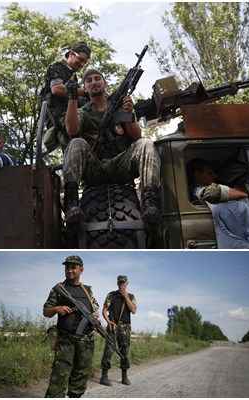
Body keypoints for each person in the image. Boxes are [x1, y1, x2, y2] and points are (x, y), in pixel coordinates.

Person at [62, 69, 162, 229]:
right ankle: (71, 203)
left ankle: (150, 201)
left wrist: (129, 114)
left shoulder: (120, 105)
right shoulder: (83, 111)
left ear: (105, 83)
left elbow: (136, 136)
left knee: (146, 144)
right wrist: (72, 97)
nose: (94, 82)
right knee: (76, 143)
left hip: (120, 166)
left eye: (97, 78)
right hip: (95, 169)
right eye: (89, 81)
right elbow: (72, 130)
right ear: (85, 88)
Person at [43, 255, 99, 398]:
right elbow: (46, 311)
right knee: (58, 378)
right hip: (65, 340)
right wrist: (57, 309)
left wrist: (95, 318)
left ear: (81, 270)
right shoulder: (59, 289)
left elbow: (95, 309)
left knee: (80, 377)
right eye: (67, 267)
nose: (69, 270)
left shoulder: (88, 290)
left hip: (86, 341)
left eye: (73, 267)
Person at [188, 158, 249, 249]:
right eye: (209, 173)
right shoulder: (199, 190)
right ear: (197, 174)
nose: (214, 176)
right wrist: (243, 194)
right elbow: (213, 192)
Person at [40, 42, 91, 152]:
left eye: (85, 62)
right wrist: (87, 92)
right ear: (71, 54)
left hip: (72, 115)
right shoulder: (57, 67)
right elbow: (57, 89)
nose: (82, 64)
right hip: (58, 116)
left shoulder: (73, 75)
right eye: (80, 59)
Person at [100, 275, 137, 386]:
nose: (121, 285)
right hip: (113, 326)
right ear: (117, 283)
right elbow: (104, 310)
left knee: (124, 351)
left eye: (123, 283)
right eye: (120, 283)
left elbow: (134, 310)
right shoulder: (111, 295)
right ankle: (104, 376)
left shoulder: (131, 296)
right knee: (108, 351)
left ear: (127, 283)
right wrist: (108, 321)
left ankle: (124, 377)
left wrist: (125, 297)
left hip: (125, 328)